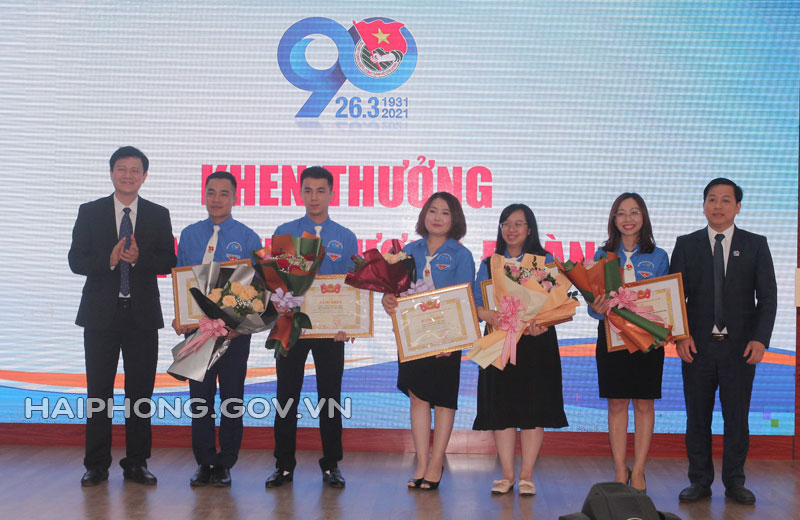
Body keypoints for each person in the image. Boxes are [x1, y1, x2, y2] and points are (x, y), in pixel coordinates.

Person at [68, 146, 176, 486]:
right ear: (111, 172)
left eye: (135, 170)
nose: (128, 175)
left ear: (144, 176)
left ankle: (136, 463)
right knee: (98, 393)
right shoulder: (90, 211)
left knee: (140, 393)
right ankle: (96, 465)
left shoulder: (158, 214)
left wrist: (140, 259)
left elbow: (168, 261)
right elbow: (76, 260)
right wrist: (110, 260)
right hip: (100, 317)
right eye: (121, 169)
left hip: (141, 317)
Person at [671, 178, 777, 505]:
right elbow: (674, 295)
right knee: (697, 418)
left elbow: (768, 297)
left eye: (726, 200)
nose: (718, 206)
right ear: (703, 205)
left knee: (737, 419)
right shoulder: (686, 244)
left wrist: (760, 339)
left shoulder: (755, 244)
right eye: (712, 199)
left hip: (740, 349)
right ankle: (699, 482)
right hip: (697, 348)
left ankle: (735, 482)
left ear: (737, 207)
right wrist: (681, 335)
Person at [264, 166, 358, 489]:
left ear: (331, 193)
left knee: (330, 397)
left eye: (320, 190)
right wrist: (277, 302)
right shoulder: (285, 232)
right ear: (300, 193)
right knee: (286, 396)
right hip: (290, 324)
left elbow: (352, 286)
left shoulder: (346, 237)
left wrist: (349, 323)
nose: (314, 196)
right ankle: (283, 465)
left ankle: (331, 464)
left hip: (331, 330)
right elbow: (274, 280)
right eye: (308, 190)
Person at [172, 170, 263, 487]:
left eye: (224, 193)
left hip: (234, 334)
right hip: (198, 331)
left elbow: (257, 290)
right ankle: (205, 462)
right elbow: (182, 280)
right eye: (211, 192)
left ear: (235, 198)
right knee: (200, 399)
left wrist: (242, 326)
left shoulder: (248, 238)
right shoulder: (189, 235)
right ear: (204, 195)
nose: (216, 199)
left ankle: (225, 463)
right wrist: (181, 316)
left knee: (231, 398)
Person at [472, 204, 568, 496]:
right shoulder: (489, 263)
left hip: (537, 342)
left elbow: (555, 302)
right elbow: (476, 301)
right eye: (506, 223)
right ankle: (507, 475)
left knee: (533, 409)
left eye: (518, 224)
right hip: (499, 340)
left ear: (530, 229)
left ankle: (526, 475)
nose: (511, 229)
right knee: (501, 408)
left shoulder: (544, 261)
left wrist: (542, 322)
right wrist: (486, 314)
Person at [382, 192, 475, 490]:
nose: (437, 217)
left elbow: (466, 300)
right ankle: (422, 462)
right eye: (432, 211)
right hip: (413, 336)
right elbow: (394, 291)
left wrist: (452, 340)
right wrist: (387, 299)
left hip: (446, 338)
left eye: (445, 213)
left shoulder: (461, 255)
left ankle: (437, 463)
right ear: (424, 215)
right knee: (418, 398)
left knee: (444, 400)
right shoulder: (408, 251)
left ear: (454, 219)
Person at [587, 193, 669, 494]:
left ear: (643, 217)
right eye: (621, 213)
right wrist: (596, 306)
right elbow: (592, 307)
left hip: (648, 339)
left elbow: (664, 298)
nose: (628, 219)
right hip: (612, 337)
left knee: (644, 404)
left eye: (634, 212)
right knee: (617, 403)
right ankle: (621, 469)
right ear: (614, 220)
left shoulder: (658, 256)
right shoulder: (602, 255)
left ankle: (640, 470)